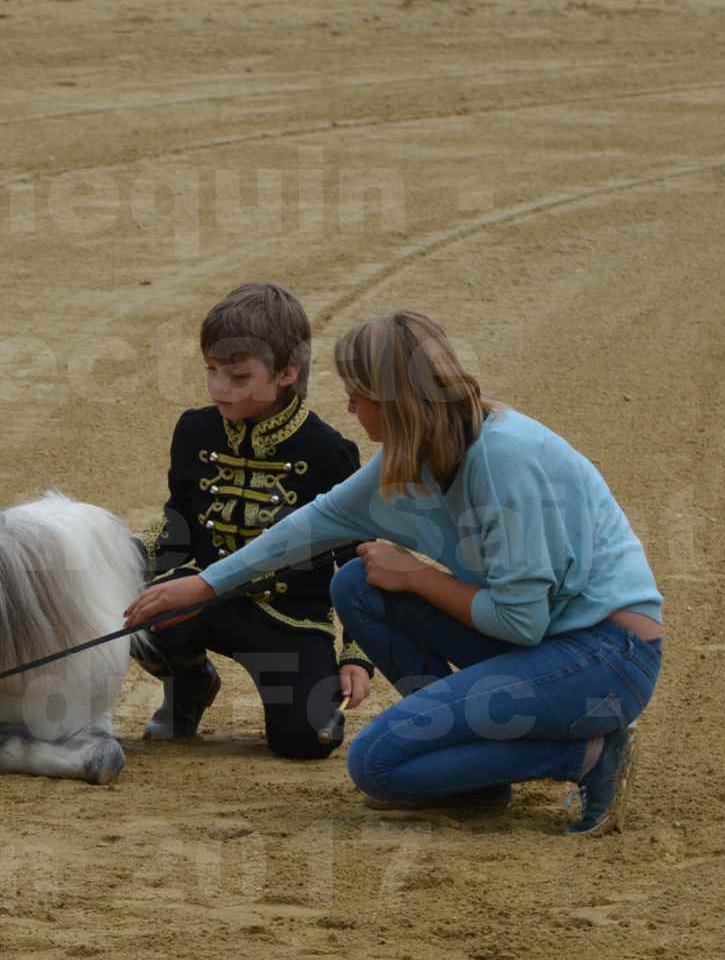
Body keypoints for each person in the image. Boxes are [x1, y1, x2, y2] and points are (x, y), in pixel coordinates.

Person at [125, 310, 663, 835]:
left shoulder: (504, 459)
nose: (350, 405)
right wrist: (203, 584)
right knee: (357, 585)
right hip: (549, 644)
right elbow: (312, 524)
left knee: (376, 764)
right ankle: (475, 777)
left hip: (606, 659)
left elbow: (520, 621)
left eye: (359, 393)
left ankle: (586, 753)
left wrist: (415, 576)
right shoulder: (415, 451)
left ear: (397, 402)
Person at [132, 282, 374, 760]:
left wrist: (357, 657)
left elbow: (359, 560)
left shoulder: (328, 451)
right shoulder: (194, 430)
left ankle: (312, 702)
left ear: (288, 372)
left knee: (305, 742)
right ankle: (189, 682)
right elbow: (178, 528)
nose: (219, 387)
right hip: (200, 598)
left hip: (290, 621)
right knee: (129, 610)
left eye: (238, 376)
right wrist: (121, 561)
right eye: (212, 371)